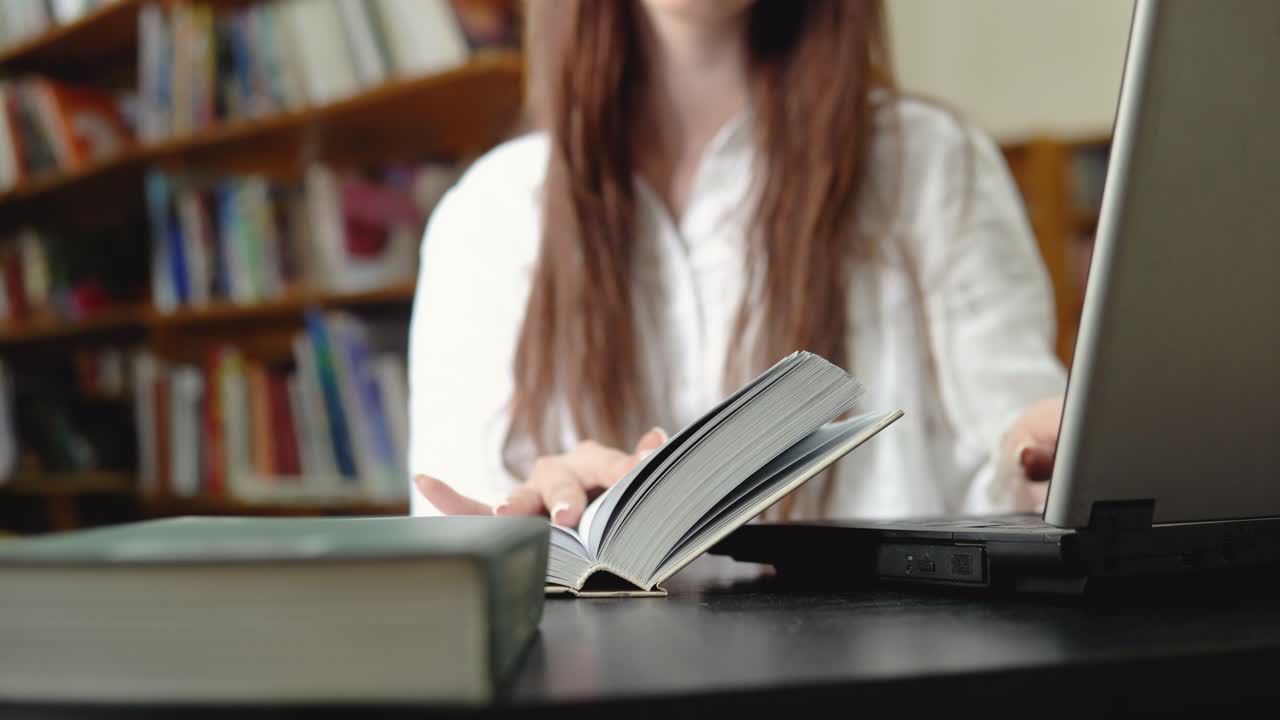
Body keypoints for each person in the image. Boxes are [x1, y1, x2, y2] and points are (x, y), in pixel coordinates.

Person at [408, 0, 1066, 528]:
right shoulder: (489, 213)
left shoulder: (931, 163)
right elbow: (452, 520)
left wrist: (1043, 464)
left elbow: (1014, 464)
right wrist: (538, 522)